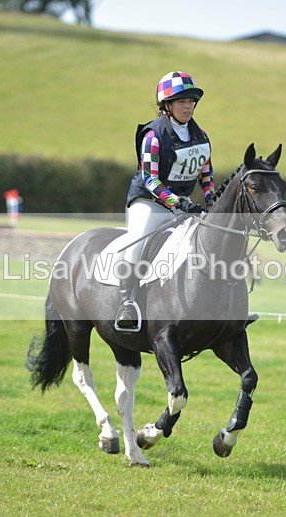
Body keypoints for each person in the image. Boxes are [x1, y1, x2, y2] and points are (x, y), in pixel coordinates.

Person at [115, 71, 216, 332]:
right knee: (137, 243)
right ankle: (125, 302)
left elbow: (206, 174)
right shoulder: (153, 135)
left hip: (182, 205)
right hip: (149, 203)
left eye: (191, 101)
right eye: (182, 101)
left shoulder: (200, 135)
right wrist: (178, 202)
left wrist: (210, 196)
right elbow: (150, 180)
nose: (188, 106)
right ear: (166, 106)